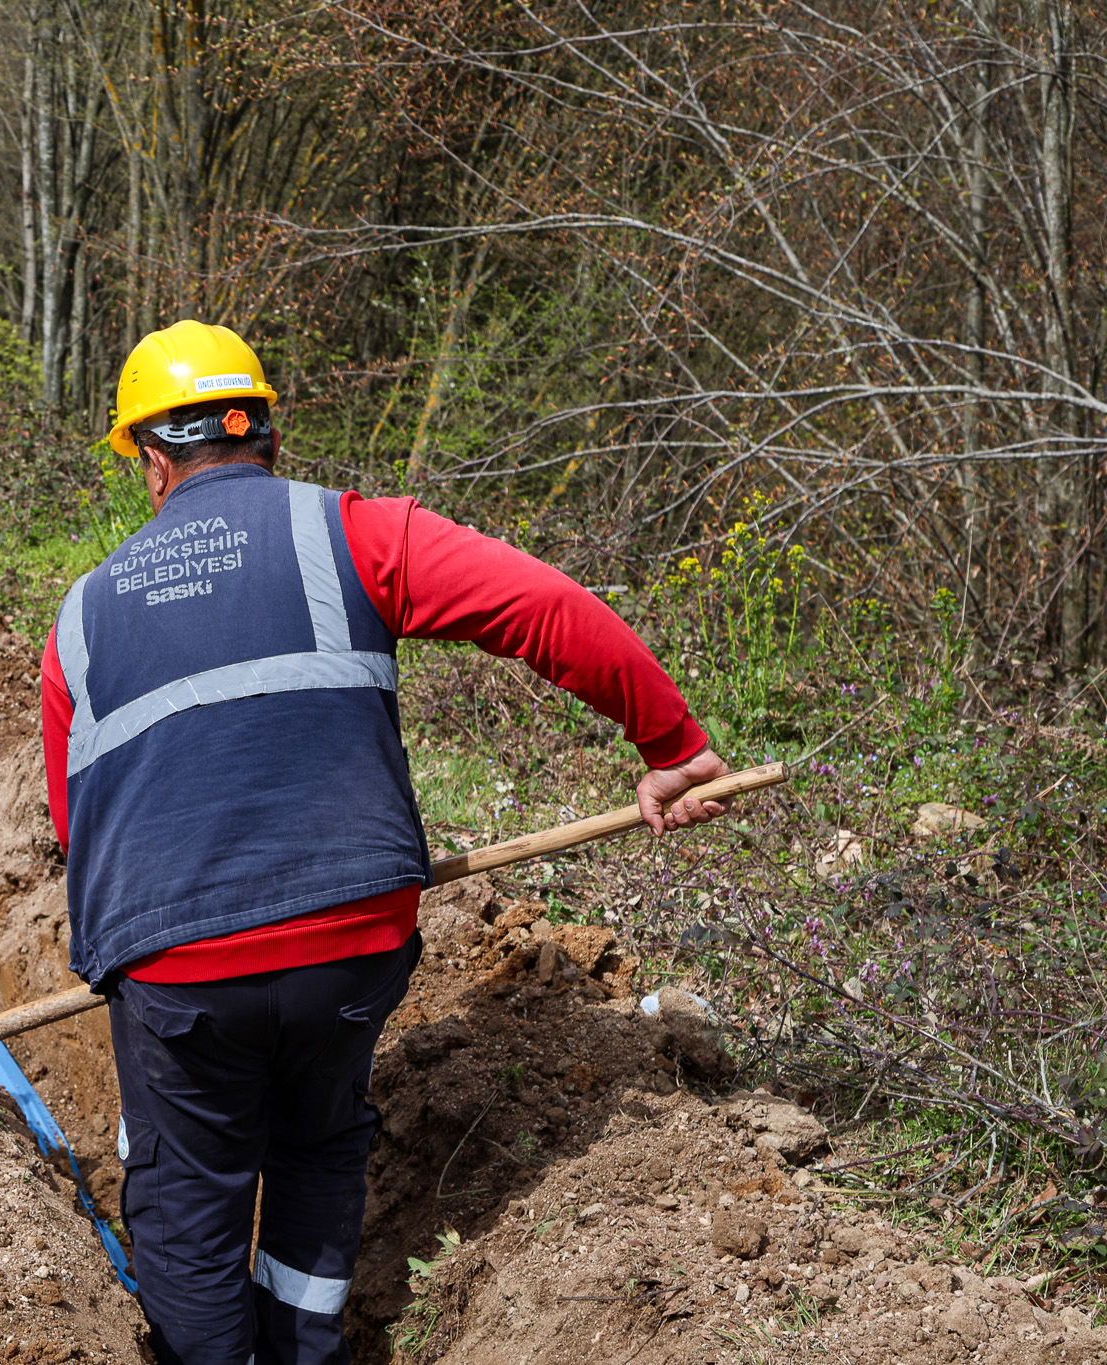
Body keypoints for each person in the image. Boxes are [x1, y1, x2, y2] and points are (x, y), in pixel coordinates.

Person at [40, 320, 732, 1364]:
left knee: (185, 1200)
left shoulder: (79, 618)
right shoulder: (348, 535)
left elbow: (71, 824)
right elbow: (542, 606)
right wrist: (668, 742)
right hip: (349, 941)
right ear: (268, 435)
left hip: (178, 961)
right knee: (317, 1145)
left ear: (148, 462)